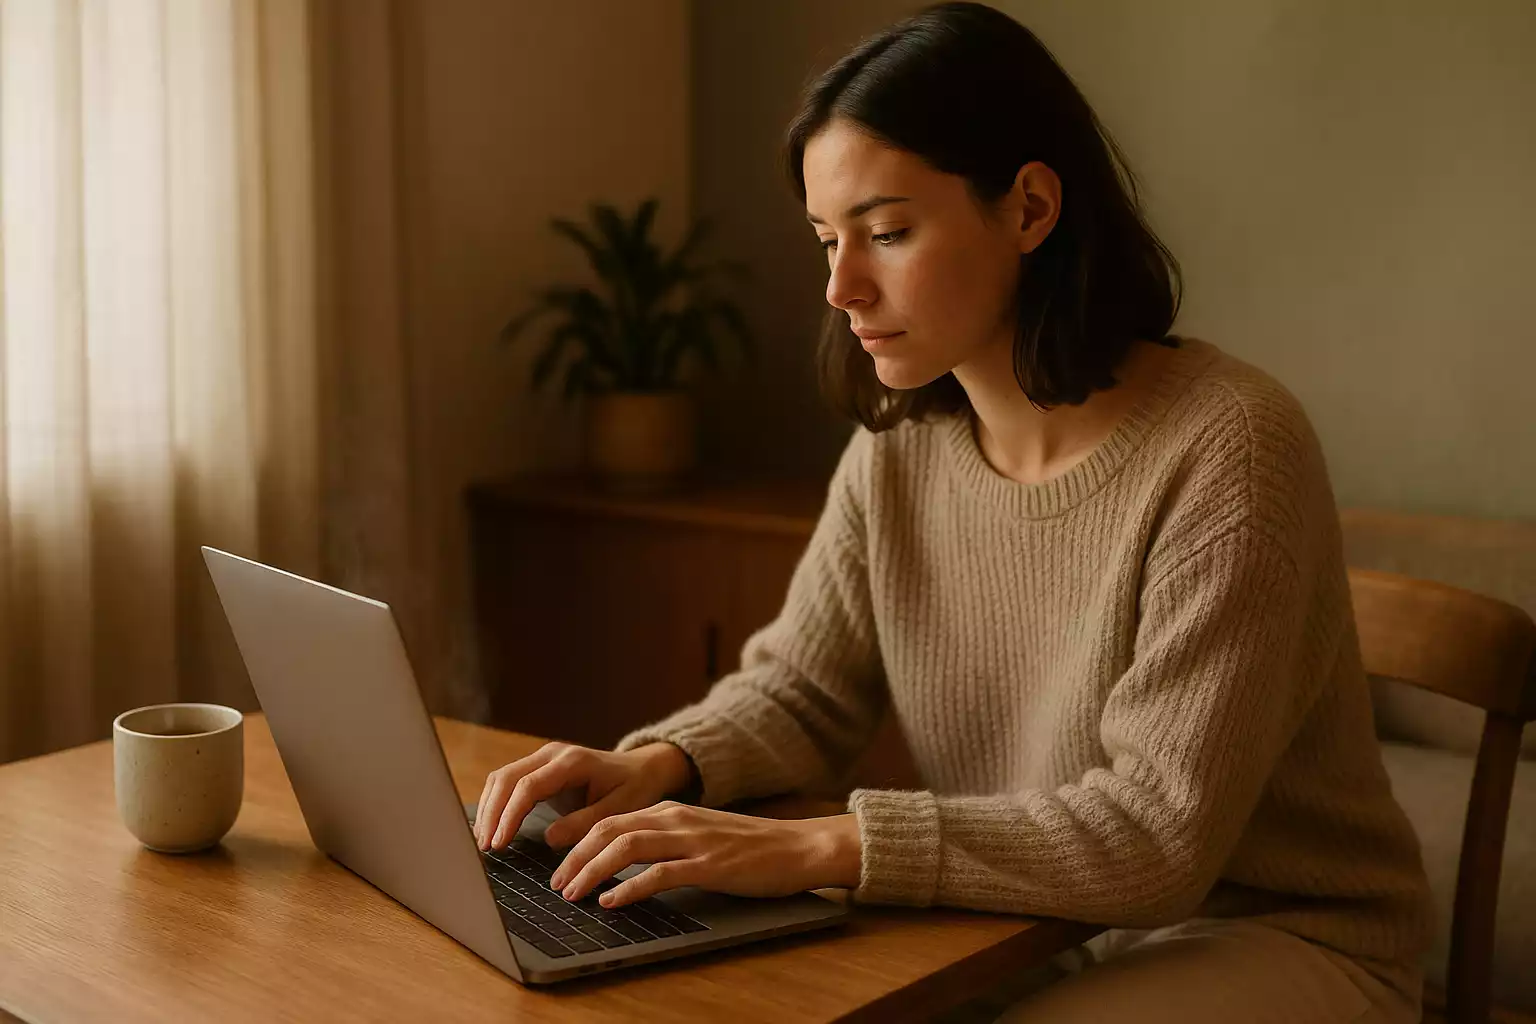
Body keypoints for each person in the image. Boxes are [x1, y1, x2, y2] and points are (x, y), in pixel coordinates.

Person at [474, 3, 1433, 1020]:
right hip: (1030, 926)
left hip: (1273, 935)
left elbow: (1155, 836)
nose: (841, 286)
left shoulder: (1233, 447)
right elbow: (803, 690)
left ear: (1029, 209)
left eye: (886, 232)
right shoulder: (901, 445)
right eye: (825, 239)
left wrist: (821, 844)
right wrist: (662, 762)